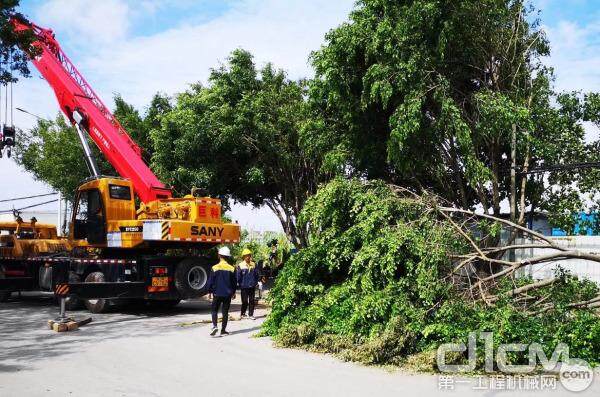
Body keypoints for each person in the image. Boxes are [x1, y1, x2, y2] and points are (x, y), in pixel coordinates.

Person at [207, 246, 237, 336]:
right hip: (227, 294)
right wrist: (233, 292)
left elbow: (210, 281)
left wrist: (209, 291)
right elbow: (234, 282)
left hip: (217, 293)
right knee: (225, 312)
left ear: (219, 255)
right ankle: (223, 330)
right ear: (228, 257)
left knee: (214, 310)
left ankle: (215, 326)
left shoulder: (214, 268)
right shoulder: (232, 268)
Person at [236, 248, 260, 320]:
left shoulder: (254, 264)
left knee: (252, 300)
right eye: (246, 256)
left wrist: (256, 282)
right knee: (245, 301)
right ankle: (243, 313)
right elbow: (238, 276)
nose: (248, 257)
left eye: (249, 255)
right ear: (243, 257)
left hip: (252, 286)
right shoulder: (241, 265)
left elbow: (256, 275)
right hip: (244, 286)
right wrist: (239, 284)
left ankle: (251, 314)